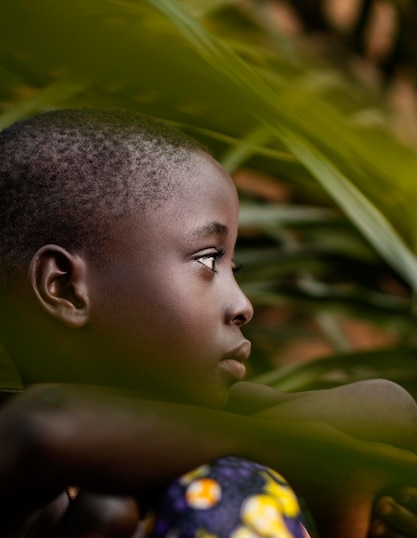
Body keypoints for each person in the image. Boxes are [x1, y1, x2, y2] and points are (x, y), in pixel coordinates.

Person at [0, 108, 417, 538]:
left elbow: (388, 407)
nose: (243, 305)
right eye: (207, 260)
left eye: (232, 267)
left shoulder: (204, 418)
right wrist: (302, 455)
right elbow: (42, 425)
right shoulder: (20, 461)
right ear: (65, 288)